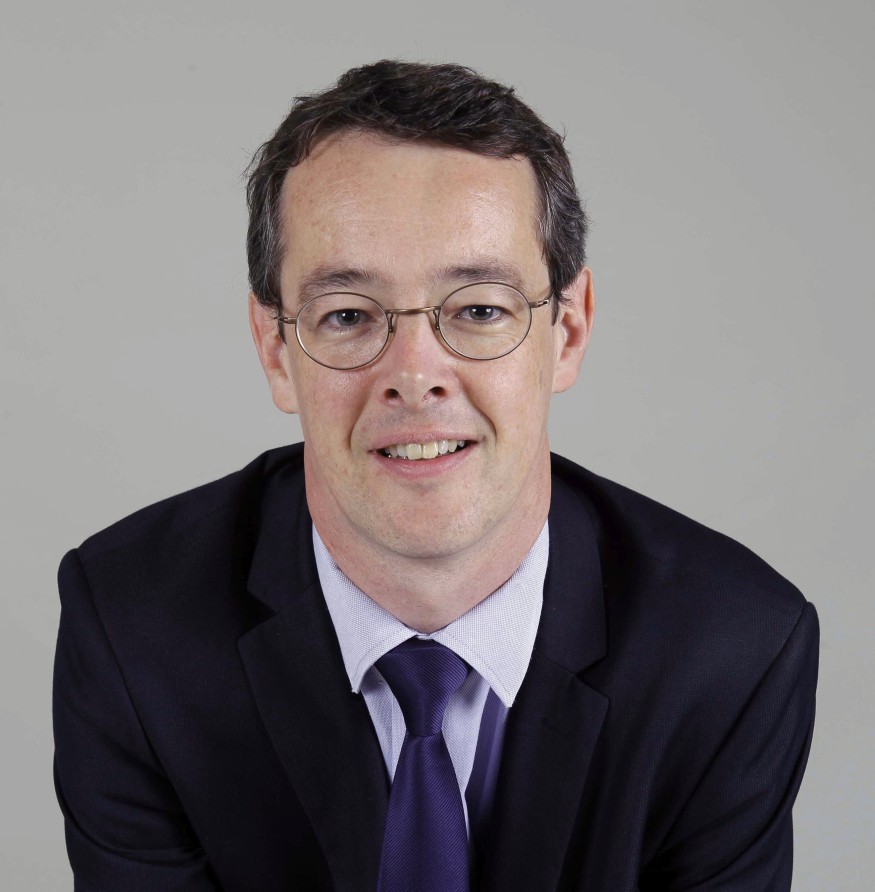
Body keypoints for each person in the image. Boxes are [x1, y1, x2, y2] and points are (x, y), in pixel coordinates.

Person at [52, 60, 819, 891]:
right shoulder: (133, 624)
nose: (415, 375)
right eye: (348, 315)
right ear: (275, 350)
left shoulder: (730, 648)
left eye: (480, 309)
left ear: (566, 332)